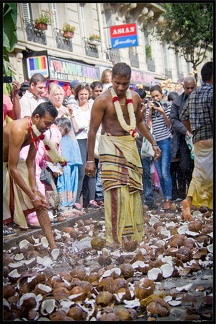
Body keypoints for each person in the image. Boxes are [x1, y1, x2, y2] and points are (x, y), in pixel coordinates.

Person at [85, 62, 161, 248]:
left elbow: (140, 122)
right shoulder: (102, 100)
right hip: (109, 145)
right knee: (114, 191)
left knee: (133, 190)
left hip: (129, 144)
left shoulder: (135, 98)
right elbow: (92, 131)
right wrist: (89, 160)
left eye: (124, 84)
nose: (120, 87)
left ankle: (132, 234)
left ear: (130, 82)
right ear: (111, 79)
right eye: (117, 83)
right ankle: (114, 237)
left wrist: (153, 142)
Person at [3, 102, 61, 249]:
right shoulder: (18, 129)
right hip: (9, 165)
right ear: (36, 117)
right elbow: (12, 167)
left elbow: (30, 161)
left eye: (50, 125)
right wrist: (31, 196)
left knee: (40, 201)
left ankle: (53, 247)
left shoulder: (37, 130)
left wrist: (34, 190)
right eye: (47, 123)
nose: (47, 128)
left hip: (16, 164)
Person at [180, 62, 213, 220]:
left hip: (199, 140)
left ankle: (188, 200)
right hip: (212, 137)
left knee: (199, 174)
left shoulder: (193, 95)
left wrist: (193, 131)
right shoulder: (212, 93)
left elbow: (183, 116)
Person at [72, 83, 100, 210]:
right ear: (77, 95)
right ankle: (77, 199)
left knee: (92, 170)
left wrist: (87, 125)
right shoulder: (74, 108)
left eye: (85, 94)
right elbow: (77, 127)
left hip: (92, 139)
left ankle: (91, 199)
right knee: (82, 170)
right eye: (81, 94)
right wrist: (86, 125)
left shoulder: (93, 105)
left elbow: (96, 123)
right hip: (80, 140)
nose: (83, 96)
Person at [147, 84, 172, 210]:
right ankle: (165, 197)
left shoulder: (167, 106)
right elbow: (148, 126)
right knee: (160, 173)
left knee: (165, 172)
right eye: (153, 97)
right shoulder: (149, 108)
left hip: (166, 141)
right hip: (154, 143)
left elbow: (170, 125)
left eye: (157, 96)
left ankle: (168, 198)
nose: (155, 98)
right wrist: (151, 111)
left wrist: (162, 112)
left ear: (162, 95)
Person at [170, 77, 196, 201]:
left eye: (192, 88)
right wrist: (186, 130)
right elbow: (173, 120)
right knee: (185, 167)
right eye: (187, 88)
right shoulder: (177, 102)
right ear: (183, 87)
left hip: (200, 138)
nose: (190, 90)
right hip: (183, 140)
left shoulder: (201, 98)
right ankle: (189, 195)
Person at [135, 87, 157, 210]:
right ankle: (136, 201)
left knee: (146, 174)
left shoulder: (146, 111)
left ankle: (149, 199)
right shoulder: (128, 110)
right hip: (132, 146)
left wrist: (144, 112)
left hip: (143, 147)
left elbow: (147, 126)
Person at [55, 117, 83, 208]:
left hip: (72, 157)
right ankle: (63, 204)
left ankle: (70, 203)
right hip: (63, 158)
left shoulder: (69, 129)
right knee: (63, 181)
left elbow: (77, 128)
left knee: (72, 181)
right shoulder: (56, 133)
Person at [89, 81, 104, 206]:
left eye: (100, 91)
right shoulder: (89, 104)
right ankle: (95, 195)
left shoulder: (104, 102)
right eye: (96, 91)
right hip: (92, 137)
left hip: (102, 138)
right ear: (92, 91)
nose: (98, 93)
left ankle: (100, 195)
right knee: (93, 165)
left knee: (101, 167)